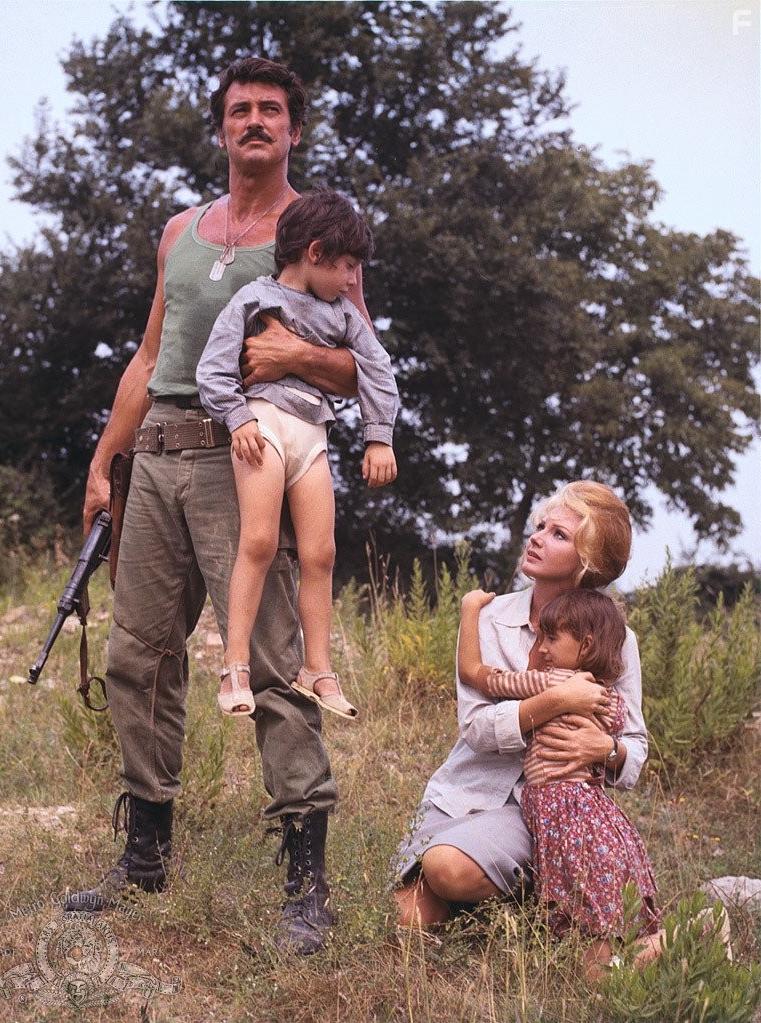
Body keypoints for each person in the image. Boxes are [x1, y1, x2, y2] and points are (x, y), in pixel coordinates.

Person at [64, 56, 366, 956]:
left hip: (249, 457)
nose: (255, 122)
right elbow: (151, 348)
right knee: (137, 655)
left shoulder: (315, 232)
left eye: (272, 110)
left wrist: (287, 362)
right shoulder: (182, 230)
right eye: (240, 110)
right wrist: (104, 456)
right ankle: (146, 856)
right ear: (221, 128)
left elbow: (355, 363)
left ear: (295, 130)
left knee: (274, 664)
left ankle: (306, 885)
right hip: (154, 451)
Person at [392, 481, 649, 945]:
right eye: (541, 526)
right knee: (411, 917)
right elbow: (473, 726)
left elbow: (634, 745)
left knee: (447, 868)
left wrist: (606, 749)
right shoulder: (488, 619)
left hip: (553, 807)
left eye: (559, 535)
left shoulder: (617, 638)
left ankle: (533, 884)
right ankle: (515, 894)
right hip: (467, 792)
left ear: (588, 560)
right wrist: (554, 701)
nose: (536, 537)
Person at [197, 189, 398, 721]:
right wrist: (237, 417)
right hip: (262, 427)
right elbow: (212, 369)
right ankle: (235, 664)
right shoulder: (254, 299)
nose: (354, 280)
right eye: (349, 266)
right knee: (259, 541)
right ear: (315, 252)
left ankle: (318, 666)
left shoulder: (343, 316)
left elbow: (377, 369)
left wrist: (379, 436)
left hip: (313, 433)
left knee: (321, 553)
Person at [457, 586, 662, 970]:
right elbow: (622, 731)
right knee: (596, 935)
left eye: (551, 637)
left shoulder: (552, 684)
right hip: (591, 811)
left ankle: (690, 935)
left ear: (585, 645)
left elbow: (474, 673)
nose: (542, 647)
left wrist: (470, 610)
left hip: (567, 814)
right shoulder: (604, 694)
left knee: (593, 956)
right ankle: (666, 946)